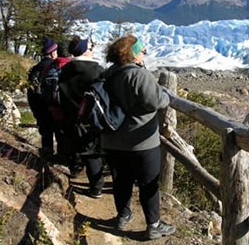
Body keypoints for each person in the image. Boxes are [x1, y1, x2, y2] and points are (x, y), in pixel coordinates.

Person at [101, 34, 176, 239]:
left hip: (112, 139)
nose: (144, 55)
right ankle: (154, 225)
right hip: (142, 141)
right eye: (143, 51)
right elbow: (156, 102)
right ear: (133, 54)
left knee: (121, 181)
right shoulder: (138, 75)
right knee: (148, 183)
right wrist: (165, 95)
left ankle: (122, 217)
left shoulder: (108, 73)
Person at [58, 35, 104, 198]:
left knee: (74, 145)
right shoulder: (97, 71)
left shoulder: (65, 70)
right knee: (92, 152)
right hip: (91, 117)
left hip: (70, 114)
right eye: (90, 48)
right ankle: (97, 187)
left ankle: (74, 171)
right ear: (85, 51)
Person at [27, 37, 58, 156]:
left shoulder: (35, 68)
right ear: (53, 52)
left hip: (38, 105)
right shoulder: (53, 67)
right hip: (51, 105)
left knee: (45, 132)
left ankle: (47, 152)